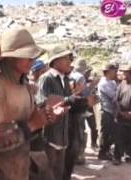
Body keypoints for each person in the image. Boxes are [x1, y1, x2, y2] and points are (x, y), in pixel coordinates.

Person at [0, 28, 68, 180]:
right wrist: (32, 125)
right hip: (1, 172)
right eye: (26, 55)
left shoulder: (26, 87)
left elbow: (33, 126)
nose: (32, 60)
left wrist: (45, 116)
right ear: (10, 59)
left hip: (23, 167)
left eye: (33, 56)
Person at [36, 46, 97, 180]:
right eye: (66, 59)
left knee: (59, 173)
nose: (70, 62)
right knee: (48, 174)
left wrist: (85, 103)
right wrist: (70, 99)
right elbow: (43, 104)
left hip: (63, 136)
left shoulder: (64, 80)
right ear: (56, 61)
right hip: (50, 136)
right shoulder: (46, 79)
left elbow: (69, 105)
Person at [97, 63, 119, 161]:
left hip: (111, 111)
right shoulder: (104, 83)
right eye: (114, 71)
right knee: (105, 132)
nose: (116, 73)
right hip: (106, 110)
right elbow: (114, 97)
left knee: (112, 132)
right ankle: (102, 152)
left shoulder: (112, 82)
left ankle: (106, 149)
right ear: (109, 72)